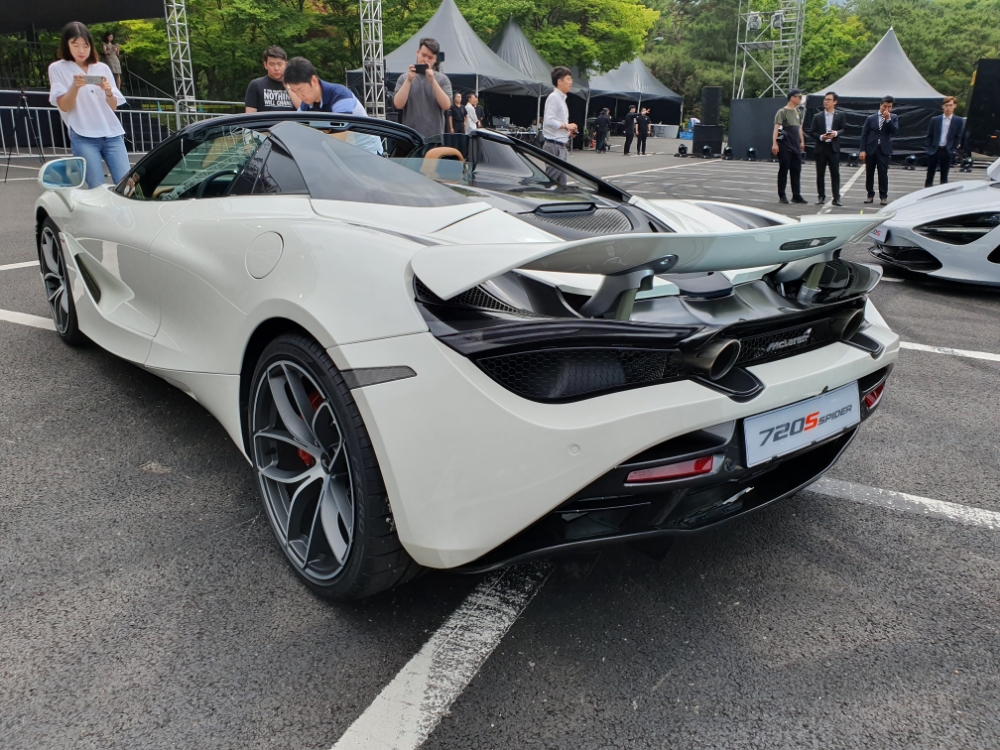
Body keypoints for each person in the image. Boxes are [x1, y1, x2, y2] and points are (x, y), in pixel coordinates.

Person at [48, 22, 129, 190]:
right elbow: (64, 105)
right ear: (66, 45)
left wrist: (108, 91)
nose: (81, 50)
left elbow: (113, 107)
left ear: (91, 45)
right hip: (83, 134)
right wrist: (75, 87)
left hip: (111, 133)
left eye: (85, 45)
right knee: (97, 187)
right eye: (75, 45)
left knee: (127, 185)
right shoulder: (57, 68)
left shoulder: (102, 68)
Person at [283, 57, 381, 155]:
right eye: (295, 92)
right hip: (343, 153)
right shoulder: (306, 105)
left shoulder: (340, 95)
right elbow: (296, 133)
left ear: (313, 81)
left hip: (367, 151)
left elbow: (338, 142)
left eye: (301, 90)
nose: (299, 96)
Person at [392, 37, 452, 137]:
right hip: (411, 138)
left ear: (435, 59)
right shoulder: (404, 78)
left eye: (430, 57)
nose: (425, 60)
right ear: (418, 52)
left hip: (435, 138)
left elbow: (446, 106)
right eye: (423, 55)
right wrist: (408, 80)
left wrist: (433, 80)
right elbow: (398, 104)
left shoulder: (442, 79)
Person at [542, 66, 578, 186]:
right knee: (551, 184)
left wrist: (568, 132)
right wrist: (567, 126)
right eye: (568, 79)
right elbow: (549, 121)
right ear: (559, 81)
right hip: (554, 146)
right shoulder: (554, 98)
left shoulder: (561, 99)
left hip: (560, 146)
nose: (571, 81)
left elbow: (556, 124)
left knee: (561, 185)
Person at [809, 91, 846, 206]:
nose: (826, 101)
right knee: (820, 174)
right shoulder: (817, 116)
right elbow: (812, 132)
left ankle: (836, 198)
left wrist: (835, 133)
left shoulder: (840, 115)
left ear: (835, 102)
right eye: (825, 99)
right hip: (821, 147)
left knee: (835, 174)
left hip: (833, 148)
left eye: (829, 100)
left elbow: (844, 128)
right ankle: (821, 196)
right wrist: (821, 137)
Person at [860, 95, 899, 205]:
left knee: (883, 173)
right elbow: (864, 135)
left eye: (889, 107)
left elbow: (895, 130)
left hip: (884, 150)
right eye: (885, 106)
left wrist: (888, 119)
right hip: (871, 149)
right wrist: (862, 150)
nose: (886, 109)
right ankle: (870, 195)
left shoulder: (894, 117)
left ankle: (883, 196)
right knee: (869, 173)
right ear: (880, 105)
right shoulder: (870, 118)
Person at [771, 88, 807, 204]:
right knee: (784, 170)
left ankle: (796, 195)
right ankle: (782, 194)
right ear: (792, 98)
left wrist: (802, 141)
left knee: (796, 171)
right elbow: (777, 128)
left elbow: (799, 128)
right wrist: (775, 143)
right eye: (799, 97)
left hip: (795, 145)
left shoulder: (798, 112)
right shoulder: (782, 112)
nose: (801, 99)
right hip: (785, 145)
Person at [925, 96, 965, 187]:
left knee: (944, 176)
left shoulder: (958, 121)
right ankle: (926, 192)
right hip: (935, 149)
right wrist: (929, 148)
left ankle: (942, 195)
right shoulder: (935, 120)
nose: (948, 108)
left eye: (950, 105)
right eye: (946, 105)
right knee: (930, 175)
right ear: (943, 106)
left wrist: (953, 149)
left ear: (955, 106)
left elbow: (958, 136)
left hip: (947, 150)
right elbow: (929, 135)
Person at [245, 46, 297, 113]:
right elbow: (250, 115)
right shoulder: (256, 85)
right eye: (272, 64)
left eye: (280, 64)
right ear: (265, 65)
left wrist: (288, 88)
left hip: (291, 123)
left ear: (286, 65)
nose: (276, 68)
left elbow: (304, 110)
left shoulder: (297, 84)